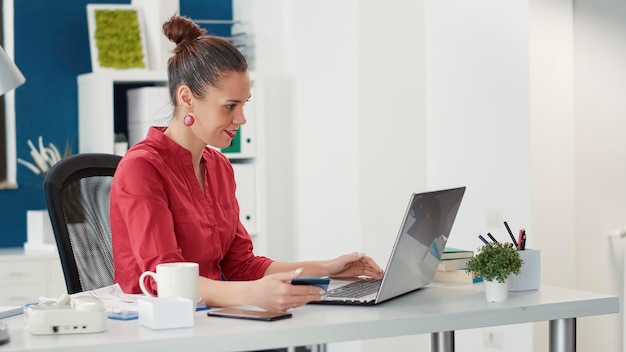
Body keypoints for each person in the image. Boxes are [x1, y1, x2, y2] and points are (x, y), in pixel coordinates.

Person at [109, 15, 383, 312]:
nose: (241, 119)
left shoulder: (219, 167)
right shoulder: (142, 168)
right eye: (230, 106)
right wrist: (251, 295)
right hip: (157, 328)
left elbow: (241, 265)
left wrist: (325, 268)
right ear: (187, 98)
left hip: (211, 322)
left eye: (244, 104)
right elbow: (166, 280)